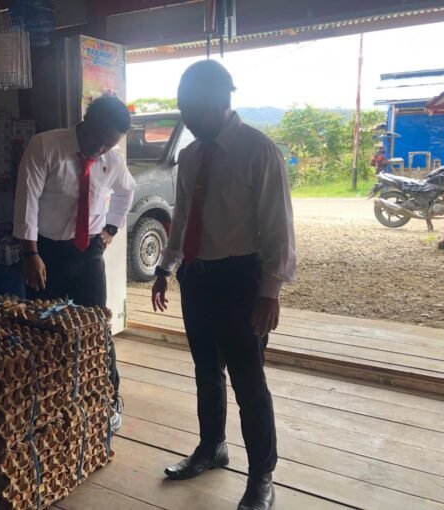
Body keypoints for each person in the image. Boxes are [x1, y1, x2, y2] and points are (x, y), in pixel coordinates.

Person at [151, 60, 295, 510]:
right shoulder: (191, 155)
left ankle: (262, 477)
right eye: (182, 109)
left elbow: (279, 229)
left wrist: (270, 292)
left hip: (241, 281)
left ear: (220, 101)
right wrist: (165, 268)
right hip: (197, 277)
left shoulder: (259, 151)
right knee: (206, 372)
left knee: (249, 382)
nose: (187, 118)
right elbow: (182, 218)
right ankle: (212, 447)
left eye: (193, 109)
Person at [13, 95, 135, 431]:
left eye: (109, 145)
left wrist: (111, 229)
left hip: (88, 251)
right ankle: (49, 402)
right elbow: (27, 200)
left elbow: (127, 191)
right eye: (100, 140)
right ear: (87, 122)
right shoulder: (45, 146)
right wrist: (30, 253)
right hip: (45, 253)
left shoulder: (111, 159)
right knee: (44, 331)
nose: (101, 150)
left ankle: (108, 397)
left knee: (96, 327)